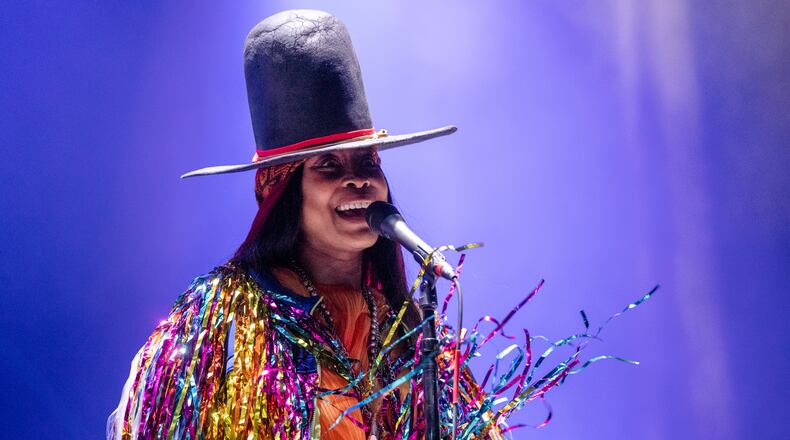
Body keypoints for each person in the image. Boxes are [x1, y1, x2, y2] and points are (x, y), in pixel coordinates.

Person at [108, 9, 500, 440]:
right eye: (329, 165)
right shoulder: (227, 323)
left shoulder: (409, 330)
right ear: (283, 190)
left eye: (368, 161)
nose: (359, 179)